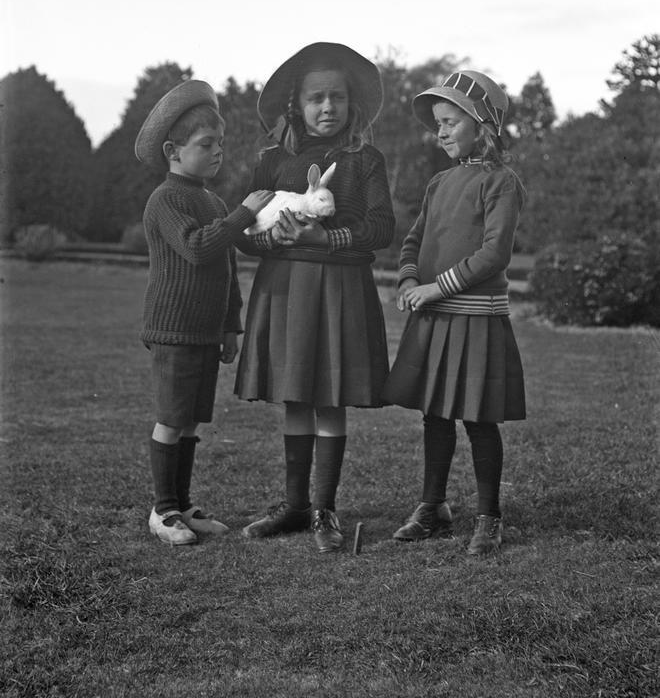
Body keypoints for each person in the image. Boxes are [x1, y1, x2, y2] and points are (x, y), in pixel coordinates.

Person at [234, 42, 395, 553]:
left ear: (353, 105)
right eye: (316, 99)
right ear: (295, 105)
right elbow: (243, 230)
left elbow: (381, 226)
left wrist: (325, 239)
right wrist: (270, 239)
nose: (328, 108)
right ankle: (294, 505)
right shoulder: (272, 161)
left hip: (339, 288)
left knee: (329, 397)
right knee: (296, 394)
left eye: (338, 98)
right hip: (284, 290)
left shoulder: (365, 160)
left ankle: (325, 510)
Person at [382, 71, 526, 556]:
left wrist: (435, 287)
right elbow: (412, 241)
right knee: (434, 414)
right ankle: (433, 506)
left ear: (481, 124)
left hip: (476, 317)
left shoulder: (502, 183)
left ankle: (489, 517)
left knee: (479, 419)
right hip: (435, 318)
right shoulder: (439, 182)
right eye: (437, 123)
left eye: (449, 122)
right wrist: (406, 280)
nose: (439, 132)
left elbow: (494, 255)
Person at [135, 80, 274, 545]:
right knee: (172, 418)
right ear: (173, 151)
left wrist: (230, 328)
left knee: (191, 421)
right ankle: (162, 510)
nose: (217, 152)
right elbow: (197, 248)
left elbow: (230, 265)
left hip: (205, 334)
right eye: (206, 144)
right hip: (173, 331)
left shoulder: (212, 201)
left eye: (220, 143)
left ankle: (183, 504)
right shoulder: (166, 200)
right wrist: (241, 214)